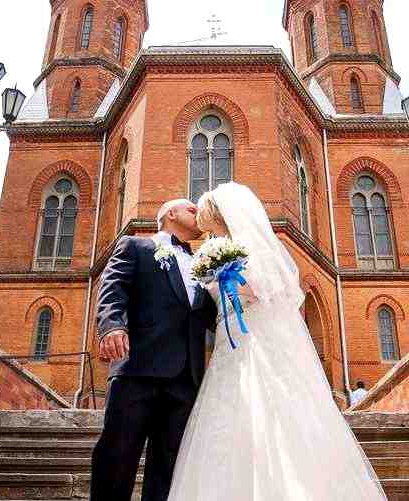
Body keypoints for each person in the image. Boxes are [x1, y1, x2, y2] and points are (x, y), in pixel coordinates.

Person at [167, 182, 387, 500]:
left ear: (220, 213)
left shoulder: (250, 248)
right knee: (227, 420)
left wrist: (229, 277)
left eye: (205, 211)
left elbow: (269, 290)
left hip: (255, 339)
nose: (201, 216)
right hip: (228, 348)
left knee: (266, 406)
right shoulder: (216, 248)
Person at [90, 199, 219, 501]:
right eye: (191, 208)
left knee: (169, 467)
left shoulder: (205, 266)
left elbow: (211, 316)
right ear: (170, 214)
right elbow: (113, 287)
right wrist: (112, 326)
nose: (197, 213)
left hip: (186, 380)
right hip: (138, 370)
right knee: (117, 457)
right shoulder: (135, 246)